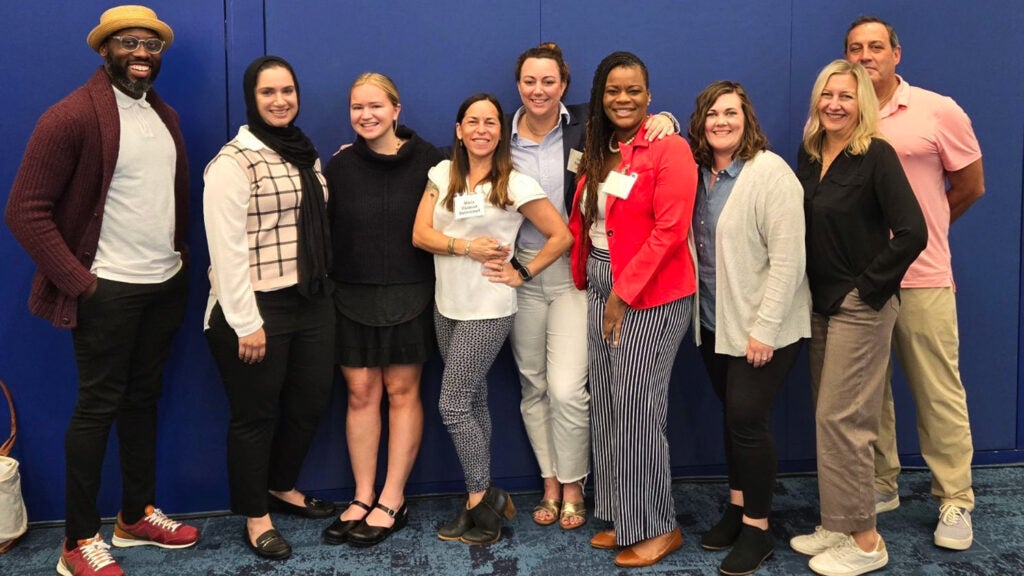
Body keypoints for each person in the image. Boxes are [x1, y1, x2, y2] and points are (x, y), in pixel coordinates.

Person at [4, 6, 200, 575]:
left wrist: (177, 263)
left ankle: (135, 516)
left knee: (143, 402)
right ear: (103, 51)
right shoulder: (70, 116)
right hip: (107, 290)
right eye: (128, 43)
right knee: (97, 409)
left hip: (163, 285)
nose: (142, 53)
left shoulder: (163, 115)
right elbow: (24, 211)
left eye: (152, 46)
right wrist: (82, 284)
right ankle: (77, 543)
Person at [508, 42, 678, 530]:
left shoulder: (587, 124)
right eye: (529, 81)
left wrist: (665, 118)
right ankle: (550, 482)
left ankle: (576, 483)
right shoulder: (500, 133)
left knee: (565, 388)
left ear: (564, 86)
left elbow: (634, 112)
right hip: (519, 273)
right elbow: (453, 148)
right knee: (533, 385)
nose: (538, 90)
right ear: (518, 85)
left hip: (572, 271)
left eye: (548, 81)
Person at [844, 15, 984, 550]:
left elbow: (970, 184)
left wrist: (919, 234)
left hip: (922, 276)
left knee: (937, 390)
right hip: (860, 282)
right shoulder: (837, 110)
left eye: (875, 46)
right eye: (855, 48)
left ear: (896, 53)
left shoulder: (936, 109)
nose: (865, 56)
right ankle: (881, 485)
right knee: (867, 394)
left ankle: (955, 498)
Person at [412, 93, 572, 546]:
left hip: (489, 308)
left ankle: (481, 500)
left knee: (453, 404)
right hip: (448, 306)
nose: (481, 129)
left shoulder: (516, 184)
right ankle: (481, 497)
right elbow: (420, 234)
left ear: (501, 133)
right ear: (459, 129)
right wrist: (466, 247)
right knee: (474, 401)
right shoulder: (441, 174)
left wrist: (522, 271)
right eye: (472, 121)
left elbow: (561, 235)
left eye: (490, 122)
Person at [788, 60, 926, 576]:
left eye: (846, 96)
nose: (835, 104)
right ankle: (838, 522)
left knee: (843, 420)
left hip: (860, 308)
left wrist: (867, 291)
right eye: (827, 94)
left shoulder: (877, 156)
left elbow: (913, 231)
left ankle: (866, 542)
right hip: (820, 305)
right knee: (830, 417)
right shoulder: (808, 156)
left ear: (861, 102)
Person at [203, 55, 337, 561]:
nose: (280, 100)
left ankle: (282, 486)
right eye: (268, 93)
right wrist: (245, 321)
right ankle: (256, 515)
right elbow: (227, 248)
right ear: (251, 99)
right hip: (254, 309)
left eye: (287, 90)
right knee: (255, 416)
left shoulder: (306, 154)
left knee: (309, 403)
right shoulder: (233, 163)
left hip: (310, 300)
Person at [568, 51, 697, 568]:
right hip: (603, 284)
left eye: (634, 91)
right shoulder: (602, 148)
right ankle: (625, 514)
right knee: (608, 403)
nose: (624, 99)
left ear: (649, 94)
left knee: (640, 409)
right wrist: (596, 282)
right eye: (613, 91)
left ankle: (659, 527)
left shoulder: (670, 149)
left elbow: (670, 231)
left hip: (649, 295)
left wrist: (623, 293)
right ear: (601, 96)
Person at [687, 81, 811, 575]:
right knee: (732, 419)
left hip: (767, 327)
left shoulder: (770, 173)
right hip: (716, 322)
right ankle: (737, 507)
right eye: (713, 113)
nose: (722, 121)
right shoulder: (700, 175)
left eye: (732, 113)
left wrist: (764, 329)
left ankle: (758, 529)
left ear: (747, 119)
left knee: (747, 420)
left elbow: (788, 261)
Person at [321, 73, 443, 547]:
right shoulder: (340, 166)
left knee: (401, 390)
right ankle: (361, 496)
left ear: (397, 109)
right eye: (357, 107)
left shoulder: (432, 162)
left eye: (375, 106)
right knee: (359, 392)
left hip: (411, 292)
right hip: (351, 294)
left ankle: (393, 498)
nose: (365, 115)